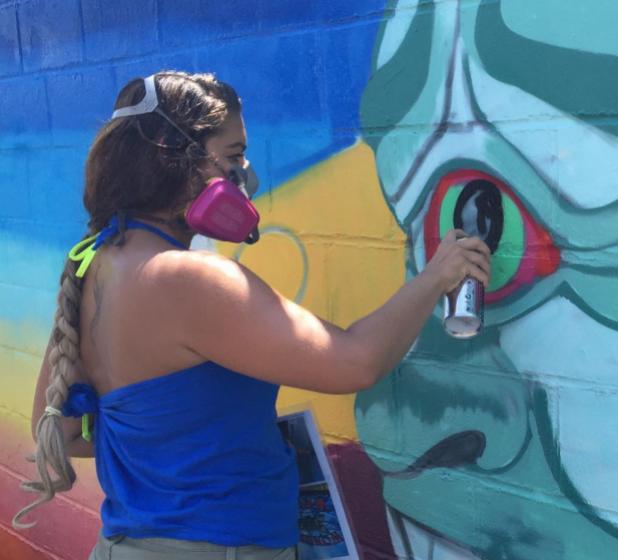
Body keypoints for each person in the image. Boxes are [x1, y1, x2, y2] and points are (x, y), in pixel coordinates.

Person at [14, 70, 491, 559]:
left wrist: (169, 450)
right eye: (233, 155)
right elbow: (354, 361)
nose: (246, 175)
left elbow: (59, 430)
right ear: (174, 156)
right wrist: (436, 277)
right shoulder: (189, 280)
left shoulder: (94, 263)